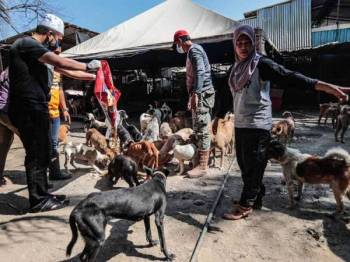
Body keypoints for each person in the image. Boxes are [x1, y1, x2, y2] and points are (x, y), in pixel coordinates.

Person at [214, 25, 349, 220]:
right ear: (234, 46)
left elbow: (290, 77)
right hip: (241, 125)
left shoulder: (262, 64)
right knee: (244, 165)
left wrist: (327, 87)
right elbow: (226, 95)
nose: (243, 47)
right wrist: (218, 117)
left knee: (254, 166)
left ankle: (246, 204)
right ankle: (257, 197)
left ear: (253, 44)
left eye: (247, 43)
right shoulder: (235, 69)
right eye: (239, 43)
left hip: (258, 125)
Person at [8, 13, 101, 212]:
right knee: (36, 153)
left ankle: (43, 194)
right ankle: (38, 200)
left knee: (42, 152)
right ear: (49, 33)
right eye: (58, 38)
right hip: (27, 107)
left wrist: (92, 76)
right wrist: (87, 64)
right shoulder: (26, 44)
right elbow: (60, 62)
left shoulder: (37, 54)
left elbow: (65, 71)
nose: (58, 43)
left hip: (35, 107)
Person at [47, 47, 96, 180]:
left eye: (59, 53)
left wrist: (64, 109)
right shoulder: (47, 64)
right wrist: (89, 69)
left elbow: (60, 88)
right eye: (56, 53)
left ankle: (52, 170)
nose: (58, 55)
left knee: (53, 143)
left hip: (55, 112)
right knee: (50, 143)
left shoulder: (56, 70)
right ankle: (53, 172)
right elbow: (73, 73)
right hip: (43, 111)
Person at [173, 29, 215, 178]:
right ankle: (199, 161)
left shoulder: (194, 50)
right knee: (198, 128)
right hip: (200, 93)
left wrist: (196, 93)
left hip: (202, 93)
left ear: (180, 41)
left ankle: (202, 166)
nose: (178, 47)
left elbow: (200, 72)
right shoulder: (194, 50)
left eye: (177, 44)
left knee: (202, 128)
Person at [0, 68, 19, 187]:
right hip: (4, 113)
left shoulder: (10, 71)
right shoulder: (12, 73)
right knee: (3, 144)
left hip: (7, 113)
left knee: (4, 143)